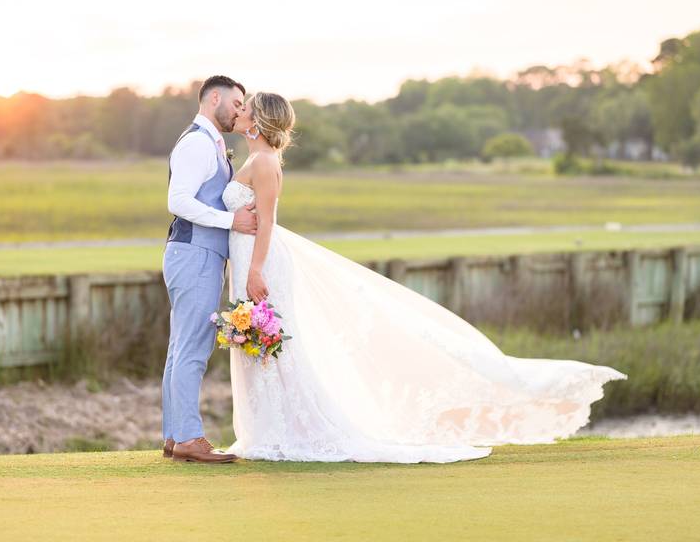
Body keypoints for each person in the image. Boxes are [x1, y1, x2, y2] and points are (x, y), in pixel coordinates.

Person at [221, 91, 627, 463]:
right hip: (249, 259)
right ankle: (272, 431)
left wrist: (256, 270)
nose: (239, 113)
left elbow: (268, 222)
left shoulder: (264, 162)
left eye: (246, 108)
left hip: (262, 262)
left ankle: (291, 432)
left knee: (277, 345)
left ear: (258, 122)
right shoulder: (255, 159)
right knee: (266, 346)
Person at [160, 75, 256, 463]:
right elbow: (178, 201)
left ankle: (173, 435)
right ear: (213, 97)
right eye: (236, 104)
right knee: (192, 348)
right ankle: (187, 438)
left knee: (180, 348)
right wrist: (230, 222)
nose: (239, 112)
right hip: (194, 255)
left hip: (196, 255)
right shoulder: (198, 143)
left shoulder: (211, 144)